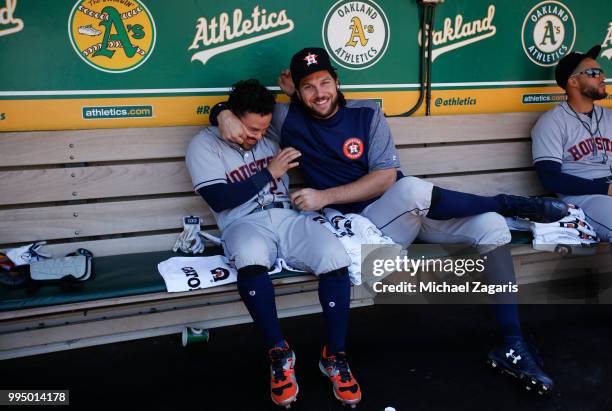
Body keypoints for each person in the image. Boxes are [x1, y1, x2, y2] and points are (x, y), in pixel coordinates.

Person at [210, 48, 570, 394]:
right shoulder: (288, 119)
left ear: (336, 81)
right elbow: (246, 111)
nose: (318, 93)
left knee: (491, 224)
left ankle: (512, 345)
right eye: (307, 86)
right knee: (413, 189)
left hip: (403, 211)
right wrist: (222, 113)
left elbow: (384, 177)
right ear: (296, 91)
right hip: (364, 226)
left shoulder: (367, 113)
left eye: (323, 82)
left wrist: (324, 195)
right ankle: (509, 202)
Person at [186, 79, 362, 408]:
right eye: (251, 128)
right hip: (242, 221)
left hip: (287, 215)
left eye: (264, 128)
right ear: (234, 117)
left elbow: (313, 117)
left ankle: (334, 356)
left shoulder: (271, 132)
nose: (257, 136)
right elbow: (219, 198)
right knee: (250, 258)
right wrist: (269, 172)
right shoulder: (203, 145)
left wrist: (224, 111)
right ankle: (279, 353)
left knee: (335, 258)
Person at [532, 45, 611, 242]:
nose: (602, 77)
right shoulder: (552, 122)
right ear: (573, 82)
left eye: (601, 72)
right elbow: (551, 178)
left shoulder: (609, 117)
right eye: (593, 73)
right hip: (581, 198)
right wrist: (607, 190)